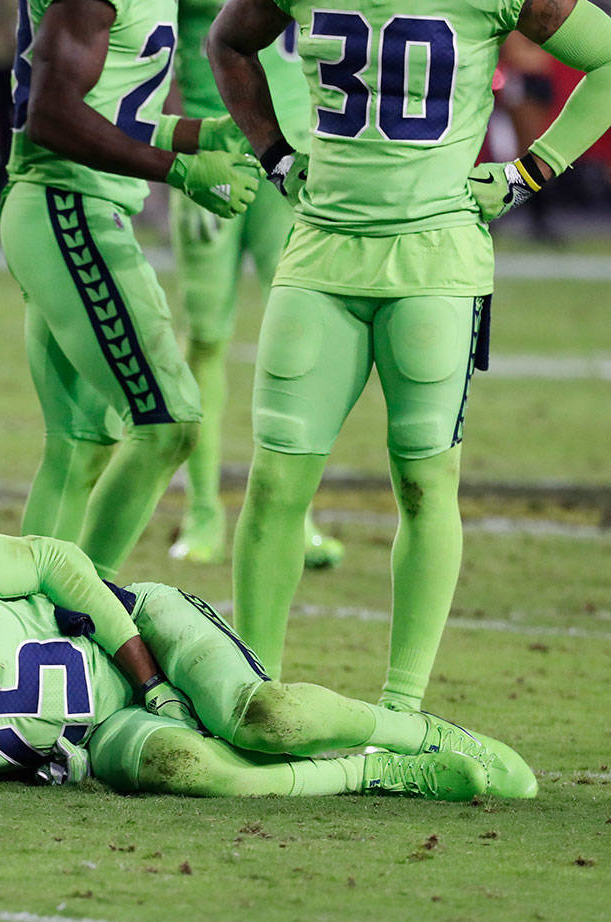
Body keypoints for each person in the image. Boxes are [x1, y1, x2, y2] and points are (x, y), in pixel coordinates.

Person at [209, 0, 611, 705]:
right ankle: (253, 695)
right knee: (274, 483)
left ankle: (401, 710)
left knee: (425, 484)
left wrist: (531, 172)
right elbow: (228, 43)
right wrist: (274, 155)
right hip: (321, 252)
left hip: (435, 262)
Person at [0, 532, 537, 800]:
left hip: (135, 634)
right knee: (199, 769)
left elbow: (58, 561)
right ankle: (381, 772)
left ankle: (424, 729)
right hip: (101, 729)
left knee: (268, 719)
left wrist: (153, 676)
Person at [1, 0, 263, 580]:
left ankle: (24, 623)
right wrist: (177, 170)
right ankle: (82, 614)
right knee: (168, 423)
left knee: (81, 442)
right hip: (66, 203)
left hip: (70, 206)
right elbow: (50, 114)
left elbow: (106, 109)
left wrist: (198, 135)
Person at [166, 0, 342, 568]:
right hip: (214, 155)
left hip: (293, 160)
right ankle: (202, 512)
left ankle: (298, 515)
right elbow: (149, 45)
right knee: (207, 336)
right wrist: (176, 153)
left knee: (300, 339)